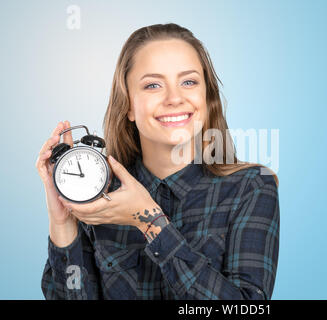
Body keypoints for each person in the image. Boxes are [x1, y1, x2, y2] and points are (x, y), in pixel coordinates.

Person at [36, 23, 279, 300]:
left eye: (188, 82)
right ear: (128, 105)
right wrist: (64, 221)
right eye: (153, 85)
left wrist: (151, 222)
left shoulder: (251, 187)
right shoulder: (97, 191)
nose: (174, 98)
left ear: (207, 97)